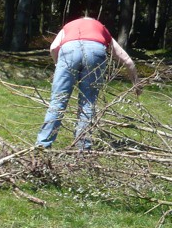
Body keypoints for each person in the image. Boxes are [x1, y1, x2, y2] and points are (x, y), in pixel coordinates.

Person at [36, 16, 142, 149]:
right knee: (88, 103)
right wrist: (136, 84)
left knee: (58, 100)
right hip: (96, 51)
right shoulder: (102, 29)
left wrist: (58, 64)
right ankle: (82, 147)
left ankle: (43, 144)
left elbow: (53, 47)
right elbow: (127, 60)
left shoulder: (69, 26)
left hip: (69, 50)